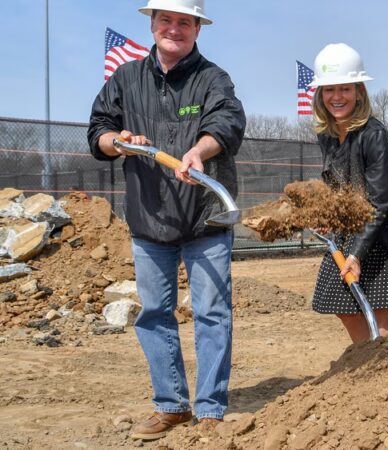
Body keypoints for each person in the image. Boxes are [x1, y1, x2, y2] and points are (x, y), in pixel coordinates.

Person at [87, 0, 245, 439]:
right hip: (149, 216)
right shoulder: (126, 78)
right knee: (155, 312)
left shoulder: (212, 79)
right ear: (153, 23)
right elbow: (98, 128)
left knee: (212, 313)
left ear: (197, 28)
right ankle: (171, 404)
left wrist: (200, 150)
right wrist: (115, 141)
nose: (174, 29)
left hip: (204, 219)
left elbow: (228, 121)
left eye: (184, 22)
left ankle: (210, 408)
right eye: (166, 20)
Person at [308, 43, 388, 343]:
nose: (337, 97)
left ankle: (386, 372)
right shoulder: (327, 135)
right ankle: (365, 359)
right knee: (341, 302)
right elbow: (339, 183)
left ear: (359, 92)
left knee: (377, 308)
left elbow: (379, 200)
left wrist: (356, 253)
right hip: (358, 223)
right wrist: (331, 215)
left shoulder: (374, 135)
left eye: (345, 88)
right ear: (320, 94)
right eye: (329, 90)